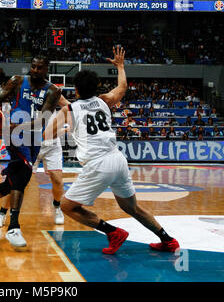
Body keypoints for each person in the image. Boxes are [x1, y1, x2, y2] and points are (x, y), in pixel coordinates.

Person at [43, 46, 180, 255]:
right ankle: (168, 240)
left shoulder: (69, 110)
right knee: (132, 207)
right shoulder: (103, 100)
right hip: (117, 160)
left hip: (98, 164)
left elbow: (47, 135)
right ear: (95, 88)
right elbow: (122, 87)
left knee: (67, 207)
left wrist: (64, 126)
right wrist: (121, 66)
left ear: (76, 89)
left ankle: (112, 232)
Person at [0, 55, 62, 247]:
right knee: (22, 174)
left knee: (15, 180)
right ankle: (13, 227)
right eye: (33, 67)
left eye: (40, 68)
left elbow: (43, 121)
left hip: (33, 137)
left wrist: (19, 127)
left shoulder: (53, 91)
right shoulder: (18, 80)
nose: (35, 70)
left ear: (47, 69)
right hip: (13, 135)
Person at [0, 96, 70, 228]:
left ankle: (57, 207)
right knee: (14, 181)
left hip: (51, 144)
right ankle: (2, 214)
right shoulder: (24, 93)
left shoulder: (53, 91)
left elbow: (69, 106)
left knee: (57, 180)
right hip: (30, 144)